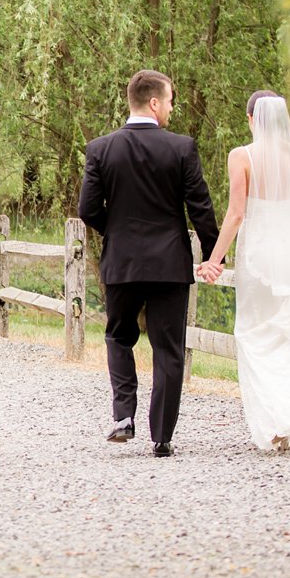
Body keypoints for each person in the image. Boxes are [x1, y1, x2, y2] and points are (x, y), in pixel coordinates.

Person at [196, 91, 290, 450]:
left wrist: (214, 261)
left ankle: (274, 418)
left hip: (258, 255)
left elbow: (235, 214)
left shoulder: (241, 157)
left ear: (251, 119)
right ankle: (288, 417)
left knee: (254, 333)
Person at [78, 70, 220, 457]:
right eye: (170, 100)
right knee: (168, 348)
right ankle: (162, 437)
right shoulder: (181, 148)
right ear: (154, 103)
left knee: (118, 337)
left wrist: (118, 232)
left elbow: (87, 210)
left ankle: (124, 416)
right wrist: (213, 254)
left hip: (121, 263)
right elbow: (200, 208)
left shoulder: (100, 149)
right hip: (169, 264)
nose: (172, 107)